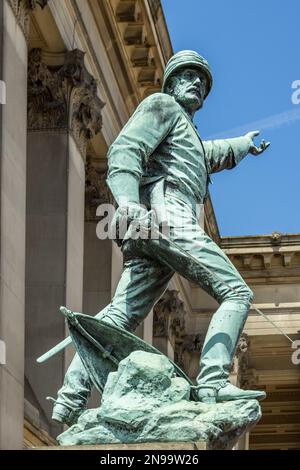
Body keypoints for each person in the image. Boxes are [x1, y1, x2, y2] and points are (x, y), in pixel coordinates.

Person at [52, 50, 270, 426]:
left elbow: (206, 155)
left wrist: (241, 145)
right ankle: (214, 383)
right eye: (189, 76)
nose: (197, 83)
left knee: (121, 314)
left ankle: (70, 398)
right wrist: (127, 201)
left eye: (203, 80)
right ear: (171, 82)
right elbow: (126, 148)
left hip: (163, 223)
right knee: (237, 292)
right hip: (166, 215)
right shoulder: (162, 105)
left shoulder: (186, 131)